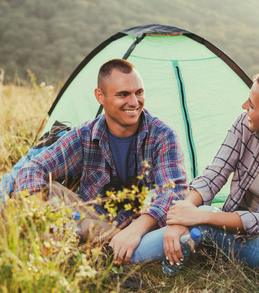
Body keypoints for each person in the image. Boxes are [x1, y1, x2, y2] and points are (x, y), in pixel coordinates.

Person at [132, 70, 259, 269]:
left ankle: (128, 255)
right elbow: (213, 175)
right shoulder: (244, 124)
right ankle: (130, 243)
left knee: (204, 218)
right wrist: (183, 215)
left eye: (251, 105)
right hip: (232, 229)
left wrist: (202, 216)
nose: (244, 107)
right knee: (192, 212)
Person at [14, 59, 187, 265]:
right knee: (46, 190)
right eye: (123, 94)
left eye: (139, 92)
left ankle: (79, 251)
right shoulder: (84, 135)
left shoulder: (162, 134)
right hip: (93, 223)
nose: (134, 102)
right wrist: (37, 207)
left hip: (141, 230)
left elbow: (174, 192)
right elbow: (34, 168)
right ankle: (77, 249)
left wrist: (134, 230)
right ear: (100, 96)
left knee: (183, 233)